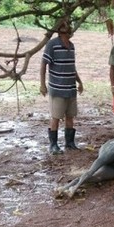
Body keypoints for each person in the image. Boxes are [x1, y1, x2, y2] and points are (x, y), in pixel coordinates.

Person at [40, 19, 84, 154]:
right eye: (66, 27)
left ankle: (69, 143)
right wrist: (42, 84)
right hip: (57, 88)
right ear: (60, 31)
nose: (69, 29)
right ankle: (53, 145)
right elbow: (43, 64)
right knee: (56, 117)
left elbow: (72, 66)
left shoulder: (71, 46)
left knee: (70, 116)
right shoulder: (52, 45)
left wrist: (79, 81)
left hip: (70, 88)